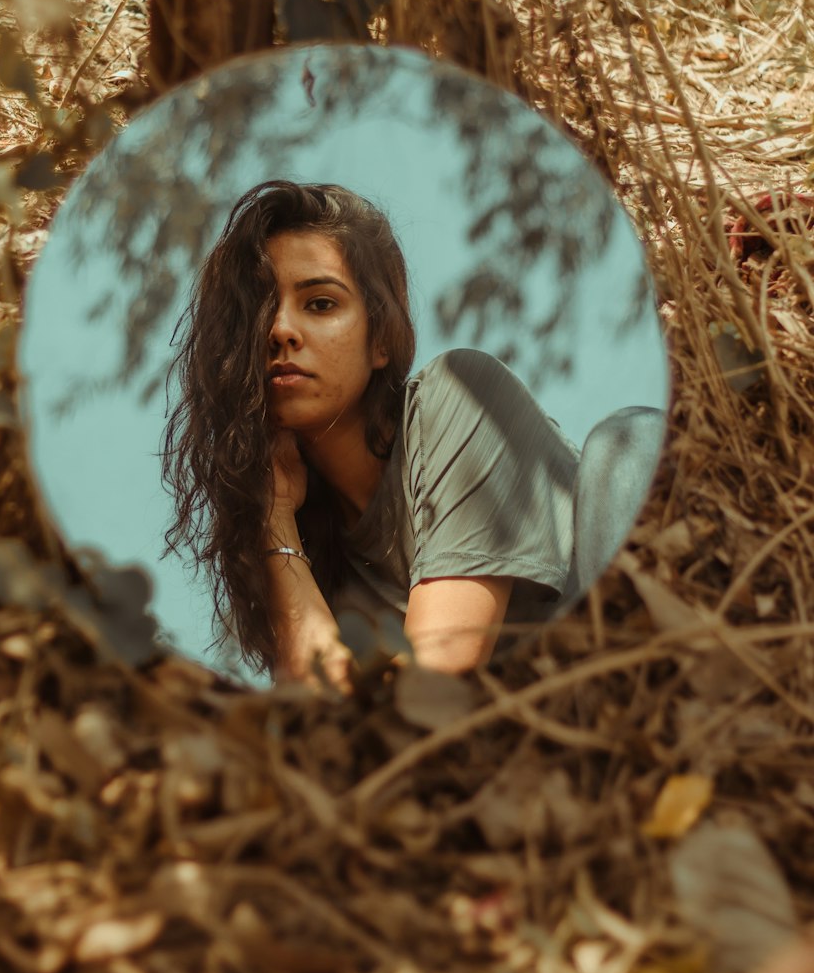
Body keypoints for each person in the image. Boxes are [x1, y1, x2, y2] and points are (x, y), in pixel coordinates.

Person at [162, 180, 589, 684]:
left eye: (320, 303)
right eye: (258, 311)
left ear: (381, 338)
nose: (279, 330)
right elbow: (332, 729)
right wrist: (273, 520)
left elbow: (428, 683)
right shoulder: (322, 560)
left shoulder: (461, 394)